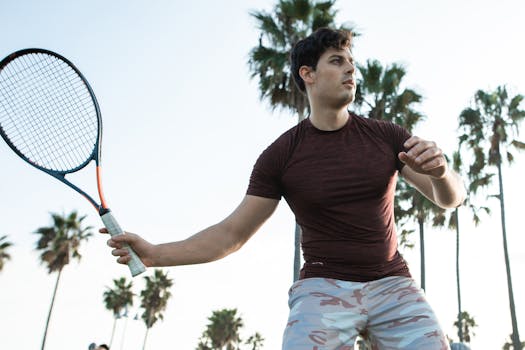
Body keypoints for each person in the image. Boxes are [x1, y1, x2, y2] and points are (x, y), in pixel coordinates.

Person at [103, 28, 466, 349]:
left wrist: (441, 172)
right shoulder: (281, 155)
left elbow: (449, 199)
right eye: (337, 61)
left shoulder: (387, 136)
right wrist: (154, 254)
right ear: (307, 74)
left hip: (393, 284)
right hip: (322, 287)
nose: (351, 69)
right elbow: (230, 234)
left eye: (351, 62)